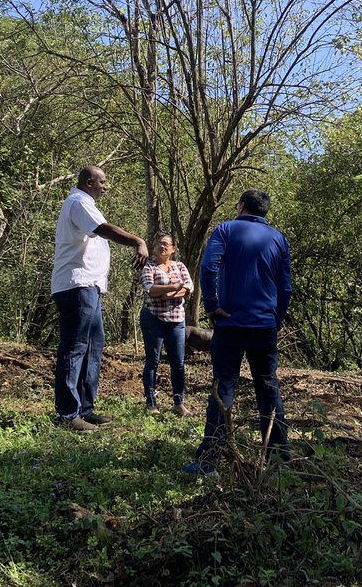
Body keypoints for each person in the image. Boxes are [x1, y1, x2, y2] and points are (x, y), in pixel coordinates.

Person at [184, 189, 292, 476]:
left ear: (241, 206)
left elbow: (208, 267)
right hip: (264, 327)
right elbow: (285, 287)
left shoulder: (226, 229)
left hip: (230, 324)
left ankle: (210, 461)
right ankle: (279, 458)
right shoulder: (279, 239)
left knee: (224, 387)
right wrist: (276, 318)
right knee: (268, 388)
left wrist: (211, 306)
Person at [51, 166, 148, 432]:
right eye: (102, 182)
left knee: (93, 347)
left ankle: (85, 409)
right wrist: (138, 241)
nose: (106, 186)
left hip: (90, 287)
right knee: (75, 347)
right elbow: (104, 229)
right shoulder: (79, 202)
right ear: (89, 182)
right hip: (76, 285)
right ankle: (67, 414)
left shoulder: (85, 203)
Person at [139, 233, 194, 415]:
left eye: (166, 244)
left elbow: (189, 287)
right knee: (152, 361)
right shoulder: (149, 267)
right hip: (153, 319)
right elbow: (151, 289)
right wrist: (175, 287)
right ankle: (151, 403)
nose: (162, 246)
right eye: (159, 243)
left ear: (173, 249)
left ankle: (178, 402)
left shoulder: (180, 266)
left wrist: (167, 294)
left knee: (178, 362)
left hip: (177, 320)